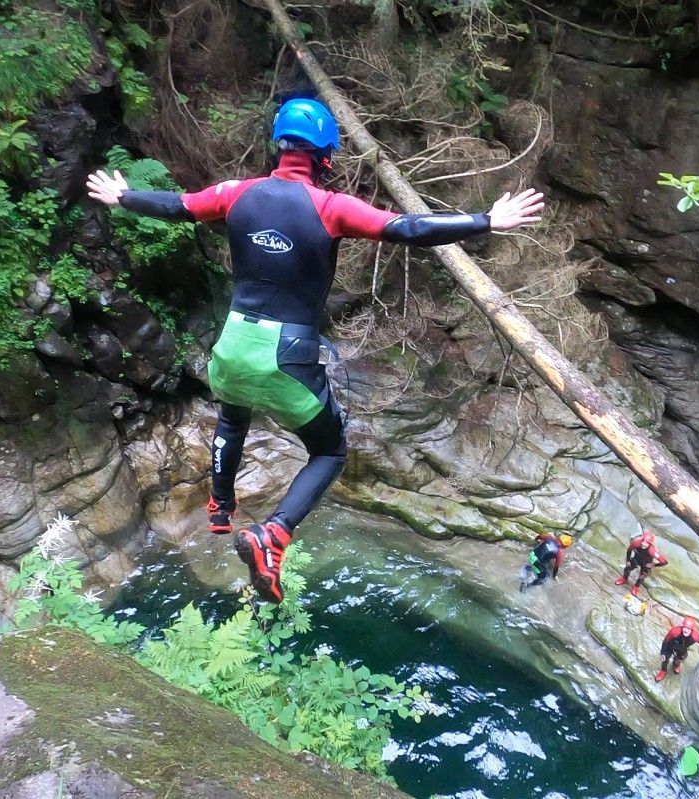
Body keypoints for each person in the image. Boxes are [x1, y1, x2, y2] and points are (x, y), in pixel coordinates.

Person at [86, 98, 544, 603]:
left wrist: (124, 197)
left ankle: (220, 509)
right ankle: (273, 534)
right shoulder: (331, 207)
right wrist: (485, 220)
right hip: (286, 354)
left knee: (233, 417)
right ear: (326, 154)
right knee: (329, 450)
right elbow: (406, 229)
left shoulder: (237, 194)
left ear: (277, 145)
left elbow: (178, 206)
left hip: (232, 343)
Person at [655, 616, 699, 681]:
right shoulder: (675, 631)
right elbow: (666, 640)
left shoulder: (696, 636)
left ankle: (675, 665)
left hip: (682, 648)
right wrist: (663, 652)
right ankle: (663, 671)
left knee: (680, 658)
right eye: (684, 628)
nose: (685, 630)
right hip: (671, 645)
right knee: (665, 658)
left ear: (692, 629)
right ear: (682, 627)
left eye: (688, 629)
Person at [615, 530, 668, 596]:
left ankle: (636, 587)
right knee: (627, 569)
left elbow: (664, 562)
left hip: (646, 563)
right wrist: (628, 560)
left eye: (647, 543)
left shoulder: (653, 551)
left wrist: (654, 565)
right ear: (641, 539)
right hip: (636, 559)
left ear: (650, 544)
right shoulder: (636, 543)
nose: (644, 544)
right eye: (643, 541)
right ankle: (624, 579)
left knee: (642, 576)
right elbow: (629, 550)